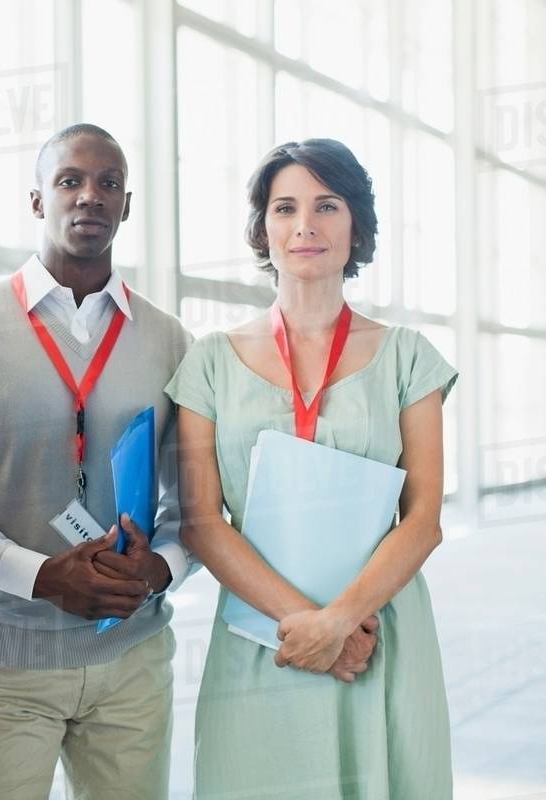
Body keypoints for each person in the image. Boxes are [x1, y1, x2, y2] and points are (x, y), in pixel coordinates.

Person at [165, 138, 457, 798]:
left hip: (377, 629)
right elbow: (202, 521)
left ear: (356, 226)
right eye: (285, 208)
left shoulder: (409, 357)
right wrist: (309, 626)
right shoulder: (209, 361)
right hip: (263, 630)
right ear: (262, 228)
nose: (305, 225)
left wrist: (341, 622)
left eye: (327, 206)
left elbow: (423, 520)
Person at [0, 124, 198, 800]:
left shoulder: (168, 340)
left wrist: (159, 568)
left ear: (126, 205)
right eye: (70, 180)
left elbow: (192, 505)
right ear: (38, 200)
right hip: (4, 666)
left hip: (132, 659)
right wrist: (42, 577)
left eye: (109, 183)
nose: (90, 195)